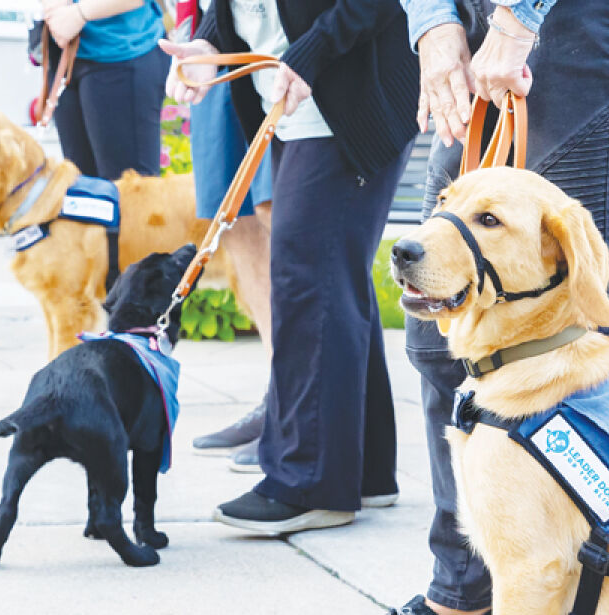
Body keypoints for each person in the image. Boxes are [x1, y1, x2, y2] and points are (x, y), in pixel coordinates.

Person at [391, 1, 609, 613]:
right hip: (472, 25)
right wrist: (434, 26)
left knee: (586, 320)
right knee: (442, 321)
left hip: (577, 23)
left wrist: (518, 19)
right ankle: (465, 592)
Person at [162, 0, 419, 532]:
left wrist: (311, 50)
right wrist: (210, 44)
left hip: (345, 94)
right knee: (330, 273)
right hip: (296, 96)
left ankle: (309, 483)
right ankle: (363, 471)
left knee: (307, 278)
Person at [174, 0, 276, 472]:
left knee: (285, 224)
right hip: (214, 42)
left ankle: (297, 407)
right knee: (237, 223)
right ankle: (278, 396)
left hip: (275, 44)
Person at [41, 0, 168, 179]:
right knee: (82, 190)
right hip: (68, 56)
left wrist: (79, 13)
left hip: (121, 53)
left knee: (132, 193)